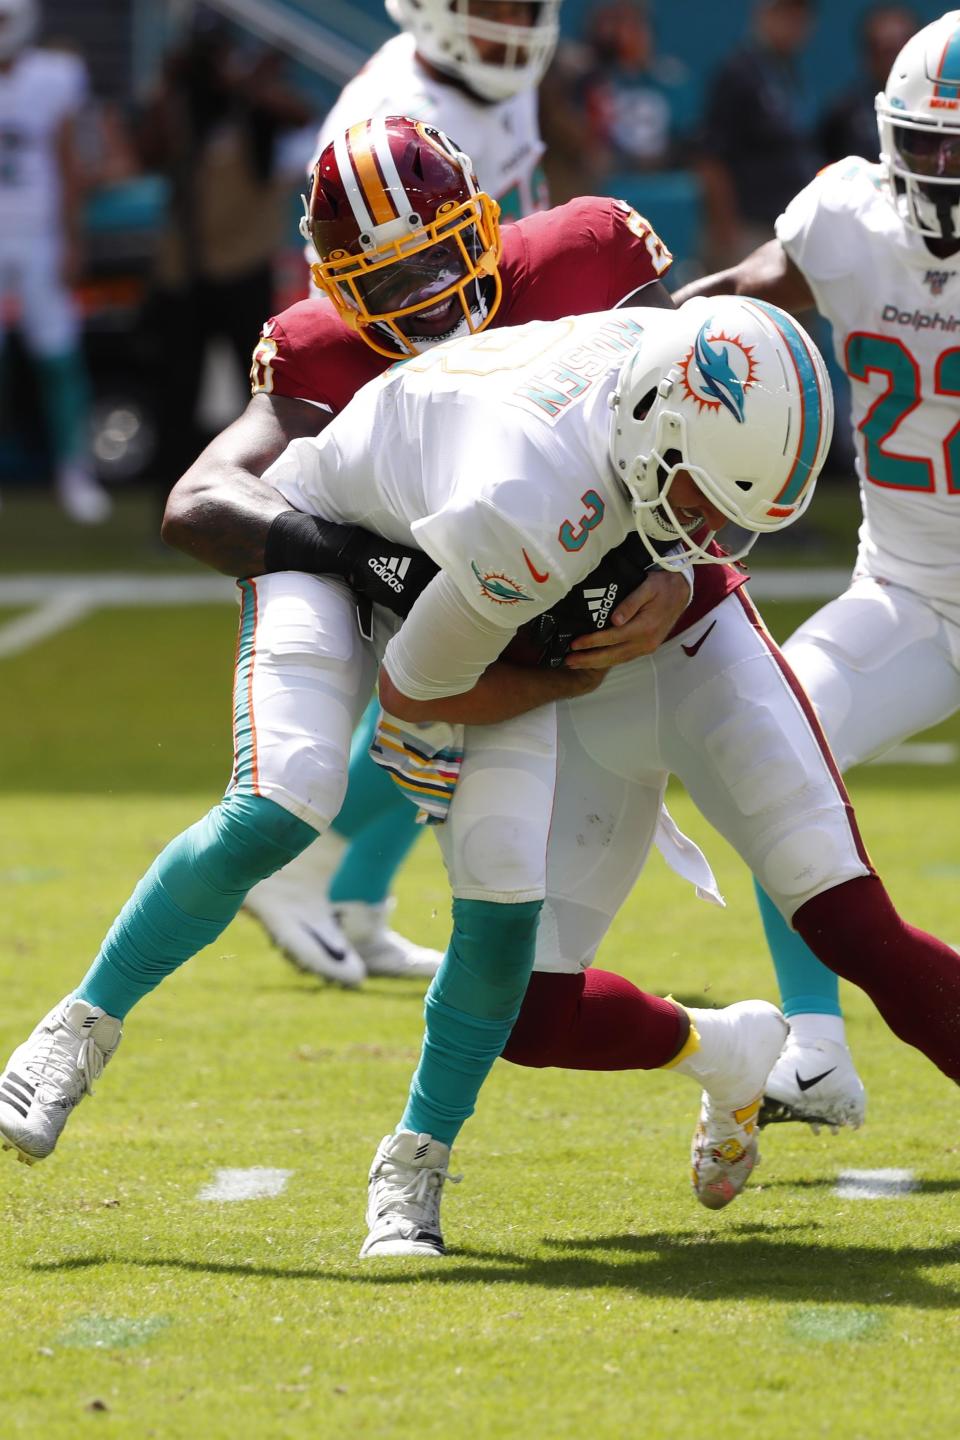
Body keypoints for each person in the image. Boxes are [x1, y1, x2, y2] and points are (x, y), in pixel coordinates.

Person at [673, 8, 960, 1132]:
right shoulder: (847, 218)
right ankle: (817, 1046)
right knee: (768, 746)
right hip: (911, 592)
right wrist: (633, 335)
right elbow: (747, 297)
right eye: (930, 146)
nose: (945, 173)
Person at [242, 0, 563, 983]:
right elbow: (348, 298)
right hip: (417, 399)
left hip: (491, 373)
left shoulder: (488, 85)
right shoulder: (389, 107)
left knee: (479, 648)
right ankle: (302, 864)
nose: (511, 25)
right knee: (468, 646)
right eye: (488, 7)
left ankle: (353, 897)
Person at [137, 9, 313, 508]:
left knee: (260, 393)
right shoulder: (179, 107)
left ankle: (264, 497)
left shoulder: (253, 105)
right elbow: (146, 149)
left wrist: (246, 84)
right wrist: (169, 88)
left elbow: (299, 114)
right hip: (184, 271)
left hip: (244, 266)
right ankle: (171, 500)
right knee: (177, 391)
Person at [0, 0, 112, 523]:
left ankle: (74, 472)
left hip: (38, 237)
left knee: (60, 358)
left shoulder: (52, 77)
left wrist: (72, 239)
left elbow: (67, 161)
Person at [699, 0, 821, 267]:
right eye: (786, 13)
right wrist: (725, 231)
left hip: (789, 228)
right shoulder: (738, 72)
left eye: (801, 15)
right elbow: (711, 159)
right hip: (749, 230)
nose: (794, 24)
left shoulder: (788, 71)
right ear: (764, 14)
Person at [817, 5, 918, 165]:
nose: (897, 59)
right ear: (869, 56)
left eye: (903, 48)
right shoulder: (844, 113)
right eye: (888, 51)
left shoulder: (938, 104)